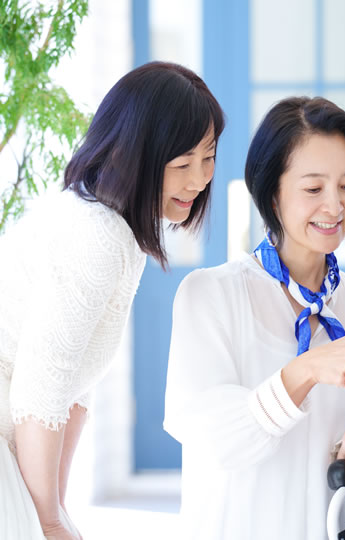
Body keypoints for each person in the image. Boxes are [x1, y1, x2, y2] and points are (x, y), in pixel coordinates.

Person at [163, 96, 345, 540]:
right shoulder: (209, 294)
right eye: (313, 189)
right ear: (272, 192)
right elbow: (214, 437)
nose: (334, 207)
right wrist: (305, 370)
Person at [0, 61, 225, 540]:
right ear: (134, 156)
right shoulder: (96, 235)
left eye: (207, 157)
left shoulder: (117, 229)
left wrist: (56, 508)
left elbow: (75, 386)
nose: (199, 179)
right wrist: (48, 519)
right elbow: (41, 391)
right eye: (182, 164)